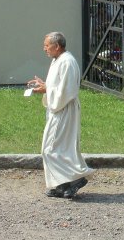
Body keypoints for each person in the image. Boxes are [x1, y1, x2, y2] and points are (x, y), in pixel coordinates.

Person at [27, 32, 94, 199]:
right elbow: (58, 85)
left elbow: (67, 91)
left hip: (63, 109)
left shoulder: (67, 62)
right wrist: (45, 85)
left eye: (46, 45)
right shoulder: (57, 60)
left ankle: (75, 180)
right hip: (58, 108)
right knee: (60, 148)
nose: (44, 49)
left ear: (57, 46)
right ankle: (61, 184)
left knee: (49, 148)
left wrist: (46, 89)